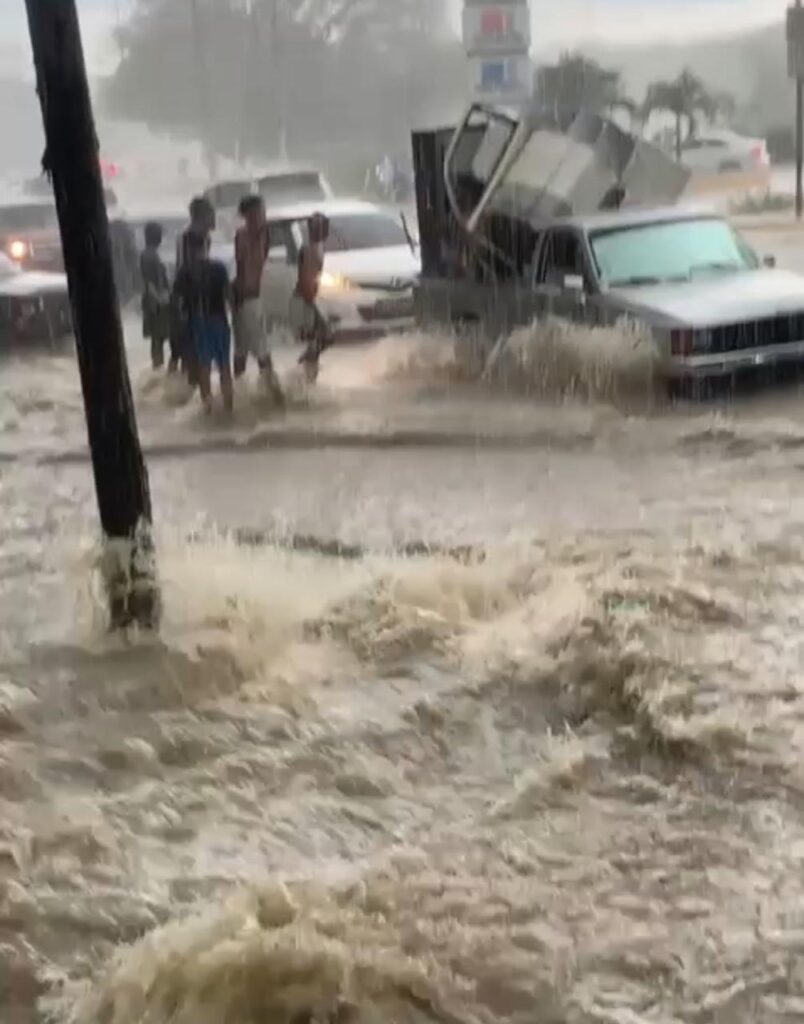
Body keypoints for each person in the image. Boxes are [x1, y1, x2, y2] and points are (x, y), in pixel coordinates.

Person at [174, 230, 234, 415]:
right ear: (207, 246)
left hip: (199, 322)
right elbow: (229, 297)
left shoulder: (185, 271)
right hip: (220, 319)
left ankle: (207, 408)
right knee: (224, 365)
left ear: (189, 248)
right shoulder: (219, 268)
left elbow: (178, 301)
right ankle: (229, 408)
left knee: (204, 366)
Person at [233, 194, 284, 404]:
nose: (262, 216)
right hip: (243, 298)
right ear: (248, 215)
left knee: (250, 348)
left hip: (255, 297)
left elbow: (265, 264)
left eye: (263, 212)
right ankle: (274, 396)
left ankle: (244, 395)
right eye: (258, 212)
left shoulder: (266, 235)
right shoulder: (242, 236)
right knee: (246, 349)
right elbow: (241, 268)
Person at [171, 196, 215, 387]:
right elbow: (182, 269)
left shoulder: (206, 238)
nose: (214, 219)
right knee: (188, 349)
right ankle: (186, 389)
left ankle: (193, 389)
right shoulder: (186, 239)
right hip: (188, 300)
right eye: (210, 214)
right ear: (200, 217)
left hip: (202, 301)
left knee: (199, 350)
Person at [290, 211, 334, 383]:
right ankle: (303, 371)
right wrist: (313, 307)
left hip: (308, 300)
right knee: (324, 337)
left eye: (324, 225)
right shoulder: (310, 250)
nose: (323, 230)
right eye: (318, 226)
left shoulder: (316, 248)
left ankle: (307, 375)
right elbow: (306, 281)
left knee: (320, 339)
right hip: (304, 300)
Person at [139, 221, 173, 370]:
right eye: (159, 235)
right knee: (158, 338)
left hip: (155, 300)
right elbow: (149, 282)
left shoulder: (149, 254)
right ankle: (158, 368)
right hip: (156, 302)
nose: (161, 238)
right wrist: (159, 300)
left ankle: (158, 369)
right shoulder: (149, 256)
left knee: (158, 339)